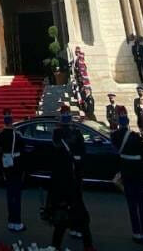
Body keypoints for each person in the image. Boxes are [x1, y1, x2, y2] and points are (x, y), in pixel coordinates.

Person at [47, 104, 95, 251]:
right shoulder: (76, 134)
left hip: (61, 181)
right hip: (74, 179)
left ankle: (56, 245)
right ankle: (87, 244)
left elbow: (54, 160)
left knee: (63, 213)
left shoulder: (57, 135)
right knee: (80, 212)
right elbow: (83, 154)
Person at [113, 106, 143, 244]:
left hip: (126, 171)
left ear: (118, 122)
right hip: (137, 171)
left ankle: (136, 232)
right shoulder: (135, 136)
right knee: (142, 203)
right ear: (128, 121)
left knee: (131, 204)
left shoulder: (115, 136)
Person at [0, 108, 25, 232]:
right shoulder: (17, 135)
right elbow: (22, 147)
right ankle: (17, 221)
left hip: (6, 165)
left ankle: (10, 220)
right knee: (17, 194)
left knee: (9, 193)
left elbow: (0, 149)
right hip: (17, 165)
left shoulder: (0, 135)